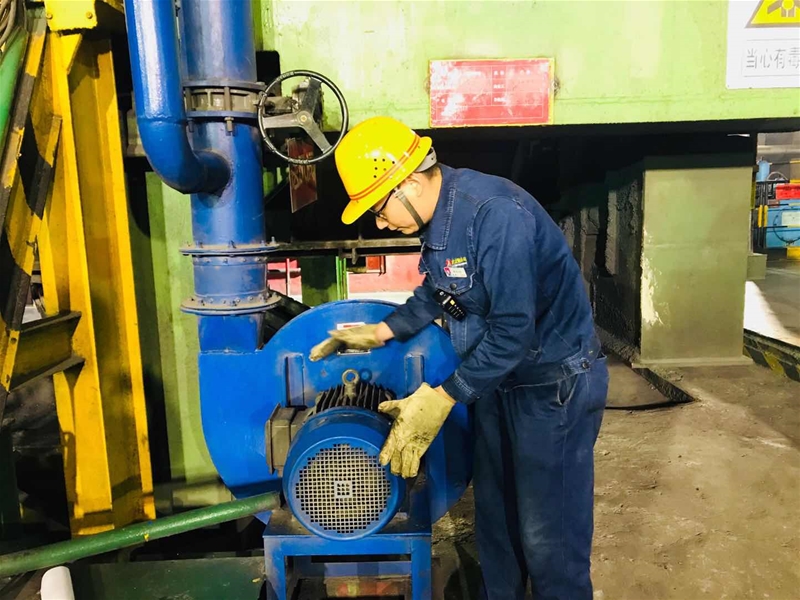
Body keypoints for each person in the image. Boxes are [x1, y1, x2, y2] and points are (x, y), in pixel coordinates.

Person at [310, 116, 608, 600]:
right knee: (496, 521)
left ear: (409, 182)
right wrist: (381, 331)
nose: (380, 222)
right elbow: (440, 291)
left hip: (550, 385)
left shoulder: (495, 215)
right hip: (496, 380)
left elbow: (512, 332)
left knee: (547, 537)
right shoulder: (441, 221)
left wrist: (445, 396)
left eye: (379, 208)